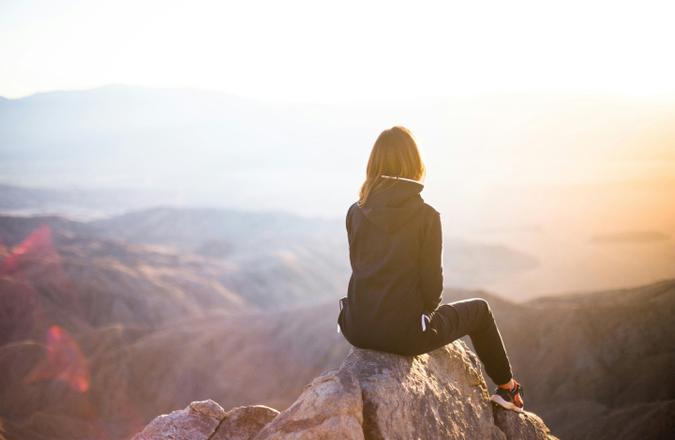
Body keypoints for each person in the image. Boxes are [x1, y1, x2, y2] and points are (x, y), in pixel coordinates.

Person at [337, 126, 524, 412]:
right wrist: (421, 317)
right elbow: (432, 289)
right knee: (481, 310)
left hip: (356, 327)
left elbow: (360, 267)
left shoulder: (355, 210)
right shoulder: (426, 216)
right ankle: (507, 389)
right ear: (415, 164)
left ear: (373, 164)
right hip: (405, 335)